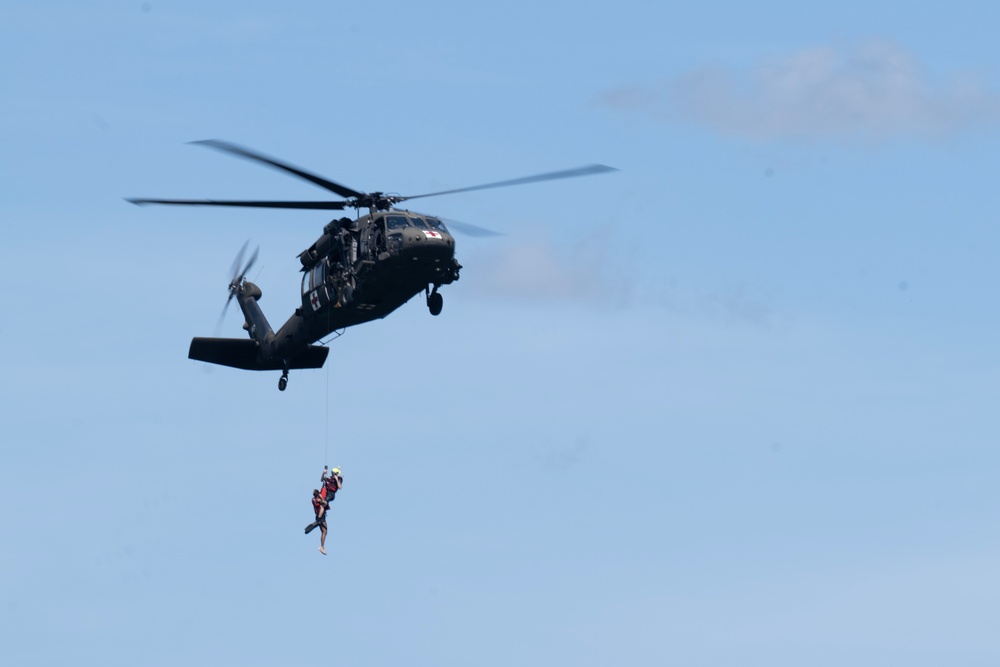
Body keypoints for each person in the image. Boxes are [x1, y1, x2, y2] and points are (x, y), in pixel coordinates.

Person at [304, 489, 330, 555]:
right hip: (321, 517)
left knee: (324, 532)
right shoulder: (318, 500)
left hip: (318, 516)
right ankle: (322, 547)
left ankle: (315, 523)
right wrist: (321, 497)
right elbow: (324, 503)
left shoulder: (313, 500)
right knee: (324, 532)